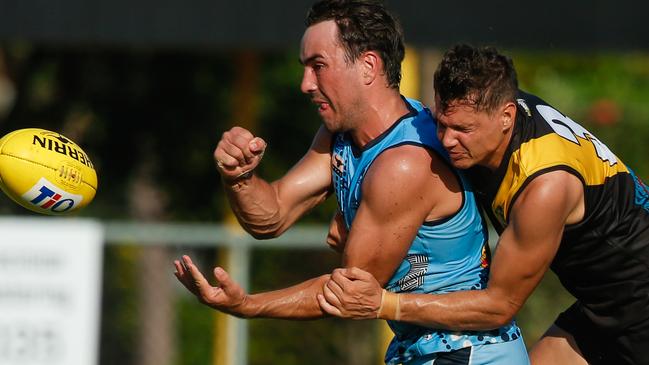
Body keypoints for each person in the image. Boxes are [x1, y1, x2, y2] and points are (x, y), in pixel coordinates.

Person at [174, 2, 529, 364]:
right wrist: (239, 177)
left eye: (319, 66)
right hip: (423, 350)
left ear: (369, 66)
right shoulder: (341, 136)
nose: (306, 84)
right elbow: (271, 217)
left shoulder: (404, 164)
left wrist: (248, 305)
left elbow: (348, 292)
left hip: (467, 352)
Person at [318, 44, 649, 365]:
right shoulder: (494, 109)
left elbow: (499, 305)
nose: (447, 140)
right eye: (441, 123)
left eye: (462, 129)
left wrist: (384, 304)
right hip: (606, 304)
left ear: (506, 115)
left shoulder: (544, 186)